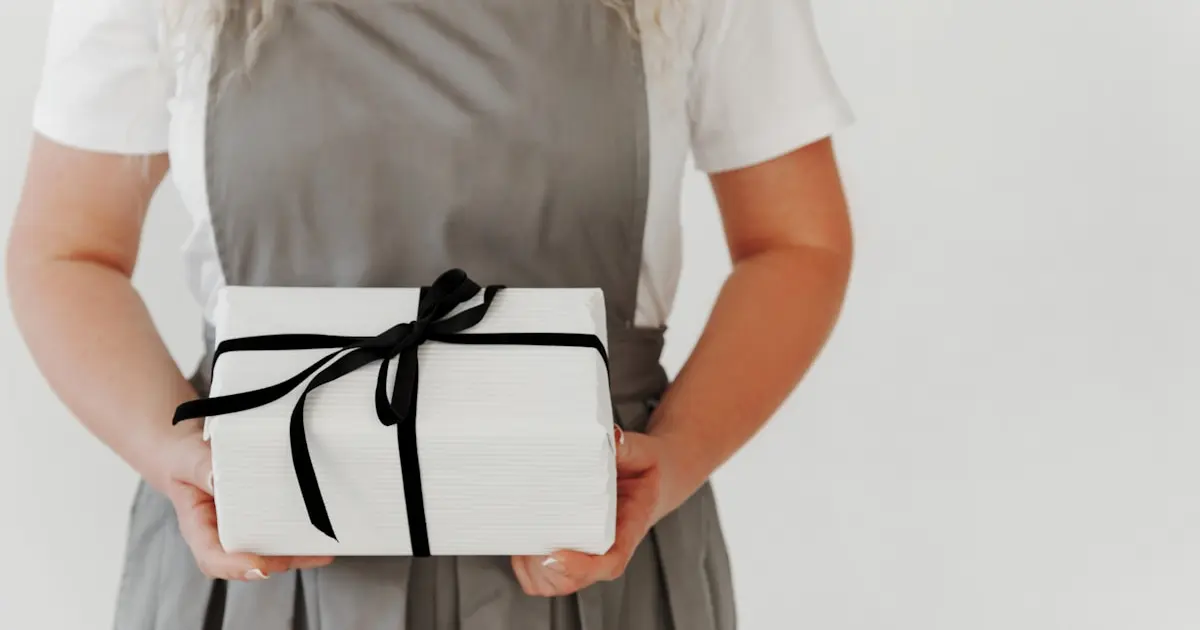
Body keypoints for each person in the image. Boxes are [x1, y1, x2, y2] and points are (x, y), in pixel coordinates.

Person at [8, 0, 855, 627]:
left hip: (595, 551)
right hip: (262, 558)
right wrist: (174, 453)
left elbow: (795, 241)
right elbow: (66, 249)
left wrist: (670, 461)